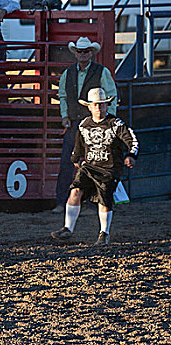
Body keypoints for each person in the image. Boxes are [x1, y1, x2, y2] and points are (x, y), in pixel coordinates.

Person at [50, 88, 139, 245]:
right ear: (89, 107)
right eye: (96, 105)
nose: (99, 108)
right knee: (75, 190)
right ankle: (67, 228)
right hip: (89, 167)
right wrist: (75, 158)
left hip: (110, 169)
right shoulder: (84, 125)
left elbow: (132, 141)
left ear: (106, 106)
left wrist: (131, 155)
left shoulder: (116, 124)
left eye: (102, 105)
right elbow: (78, 146)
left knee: (104, 199)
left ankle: (104, 232)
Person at [52, 37, 117, 214]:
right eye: (80, 51)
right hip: (75, 124)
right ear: (76, 53)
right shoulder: (69, 73)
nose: (83, 54)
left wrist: (106, 120)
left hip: (94, 125)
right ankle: (62, 202)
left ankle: (90, 203)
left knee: (94, 163)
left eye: (86, 51)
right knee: (67, 162)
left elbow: (111, 96)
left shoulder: (101, 72)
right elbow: (63, 96)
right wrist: (65, 115)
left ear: (91, 53)